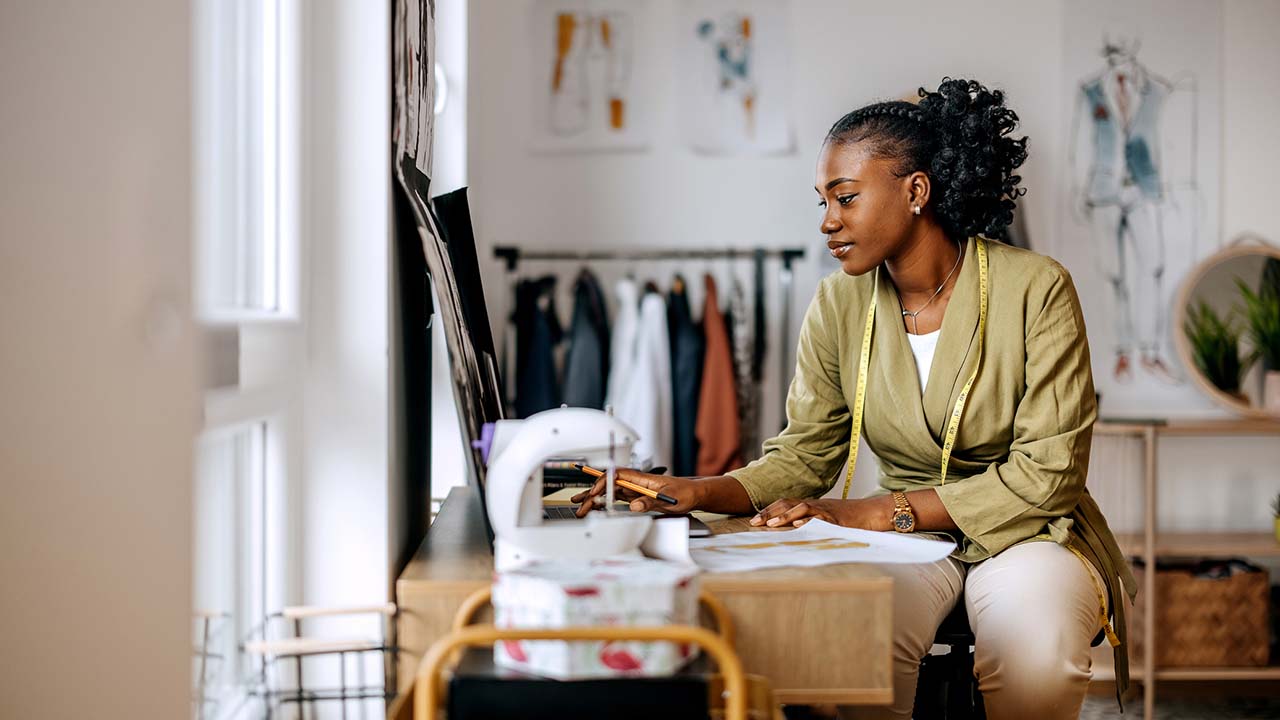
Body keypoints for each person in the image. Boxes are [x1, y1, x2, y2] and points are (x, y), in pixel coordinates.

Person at [573, 77, 1136, 720]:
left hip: (1032, 530)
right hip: (912, 544)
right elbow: (806, 453)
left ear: (915, 191)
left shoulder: (1036, 287)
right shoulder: (838, 303)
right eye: (822, 200)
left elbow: (1049, 475)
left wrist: (872, 512)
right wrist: (699, 490)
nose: (827, 222)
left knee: (1035, 653)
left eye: (845, 197)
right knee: (844, 643)